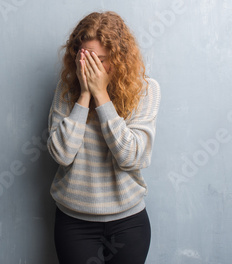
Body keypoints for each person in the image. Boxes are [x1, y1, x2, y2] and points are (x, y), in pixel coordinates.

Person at [46, 11, 161, 264]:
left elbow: (132, 156)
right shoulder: (67, 89)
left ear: (119, 59)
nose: (91, 67)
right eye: (85, 58)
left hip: (129, 224)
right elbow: (62, 154)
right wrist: (85, 95)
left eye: (101, 60)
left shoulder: (145, 90)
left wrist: (102, 97)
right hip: (74, 224)